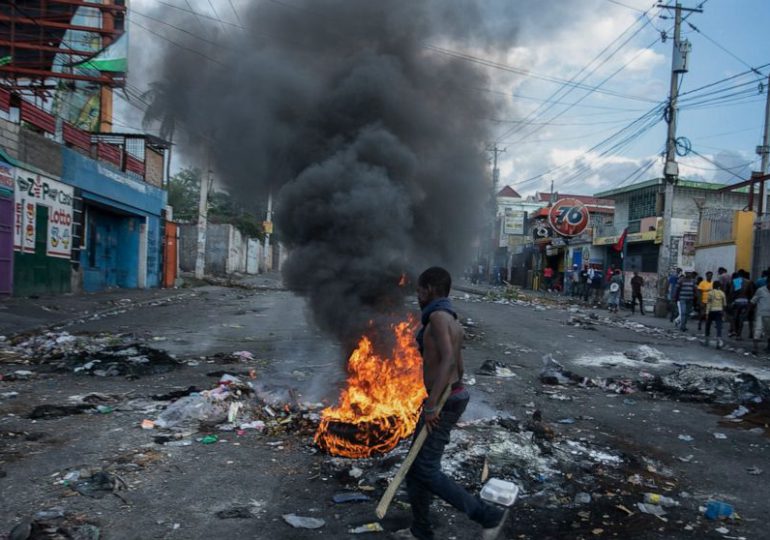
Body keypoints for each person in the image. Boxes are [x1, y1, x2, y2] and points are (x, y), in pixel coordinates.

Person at [405, 267, 506, 540]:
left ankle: (486, 515)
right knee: (415, 469)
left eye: (419, 289)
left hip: (442, 402)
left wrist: (432, 404)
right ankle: (420, 529)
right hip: (450, 395)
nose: (417, 295)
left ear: (430, 289)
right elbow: (459, 369)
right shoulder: (453, 320)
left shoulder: (437, 317)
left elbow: (449, 359)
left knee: (425, 469)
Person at [729, 269, 754, 340]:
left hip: (737, 301)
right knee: (741, 319)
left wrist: (731, 302)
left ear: (739, 274)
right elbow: (751, 294)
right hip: (745, 301)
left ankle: (736, 333)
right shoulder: (748, 282)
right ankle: (739, 334)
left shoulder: (737, 281)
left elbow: (733, 292)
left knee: (735, 317)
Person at [750, 278, 770, 355]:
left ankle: (768, 347)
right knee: (757, 331)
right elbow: (753, 301)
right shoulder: (760, 290)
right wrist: (749, 311)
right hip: (761, 315)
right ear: (767, 282)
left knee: (769, 332)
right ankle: (755, 349)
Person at [704, 281, 727, 349]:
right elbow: (724, 304)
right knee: (719, 326)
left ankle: (707, 339)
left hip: (711, 311)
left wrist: (707, 313)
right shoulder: (722, 293)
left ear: (713, 286)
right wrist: (723, 312)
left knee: (708, 324)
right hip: (719, 310)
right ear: (719, 286)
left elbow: (708, 304)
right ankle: (719, 341)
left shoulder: (710, 293)